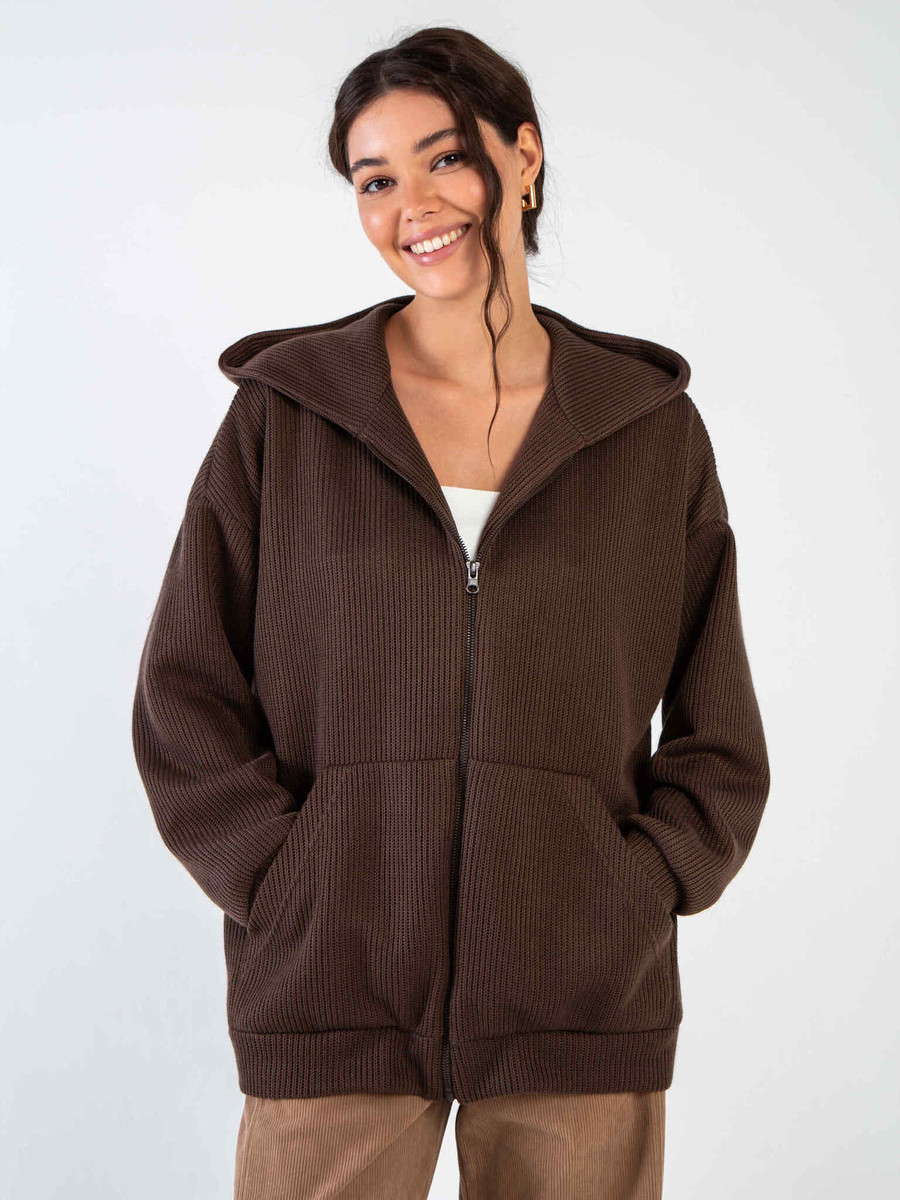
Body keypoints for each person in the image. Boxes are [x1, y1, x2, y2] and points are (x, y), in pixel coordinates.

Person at [131, 24, 771, 1200]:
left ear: (522, 156)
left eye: (444, 159)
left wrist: (639, 885)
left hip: (581, 993)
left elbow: (718, 725)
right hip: (332, 983)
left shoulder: (645, 430)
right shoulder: (288, 416)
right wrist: (286, 879)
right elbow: (187, 692)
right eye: (374, 179)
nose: (411, 206)